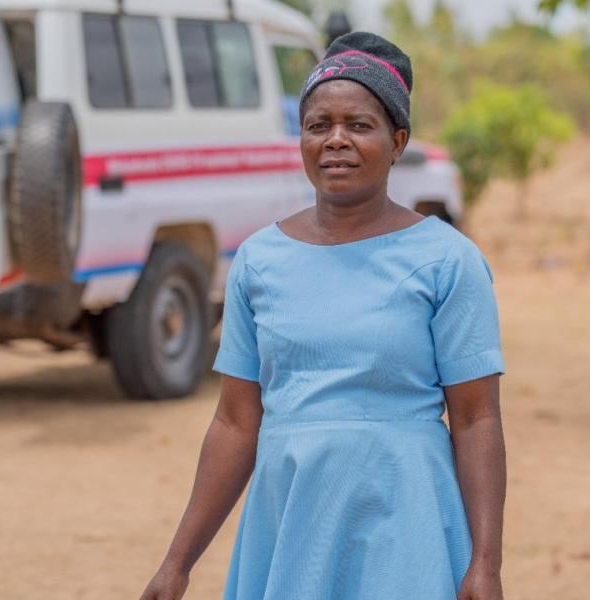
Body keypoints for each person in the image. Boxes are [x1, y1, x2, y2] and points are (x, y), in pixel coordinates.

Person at [140, 31, 506, 600]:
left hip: (405, 517)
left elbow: (477, 419)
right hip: (292, 516)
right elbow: (236, 423)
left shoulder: (447, 260)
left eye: (359, 125)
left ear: (398, 141)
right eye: (319, 126)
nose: (336, 141)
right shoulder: (259, 261)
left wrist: (485, 563)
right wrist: (177, 563)